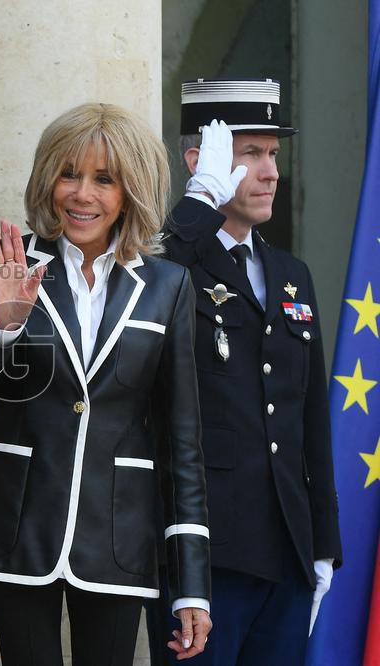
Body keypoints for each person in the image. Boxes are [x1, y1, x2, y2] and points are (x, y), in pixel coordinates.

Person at [0, 102, 212, 665]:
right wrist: (3, 325)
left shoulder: (170, 285)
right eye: (69, 173)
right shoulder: (1, 261)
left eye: (103, 179)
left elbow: (182, 441)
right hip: (15, 523)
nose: (81, 194)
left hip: (119, 530)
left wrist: (191, 579)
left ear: (132, 190)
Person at [150, 79, 342, 665]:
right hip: (209, 553)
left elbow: (309, 416)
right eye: (250, 154)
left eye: (275, 155)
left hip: (287, 545)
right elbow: (144, 298)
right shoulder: (171, 261)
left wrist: (324, 545)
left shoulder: (291, 273)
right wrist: (199, 207)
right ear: (201, 162)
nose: (270, 172)